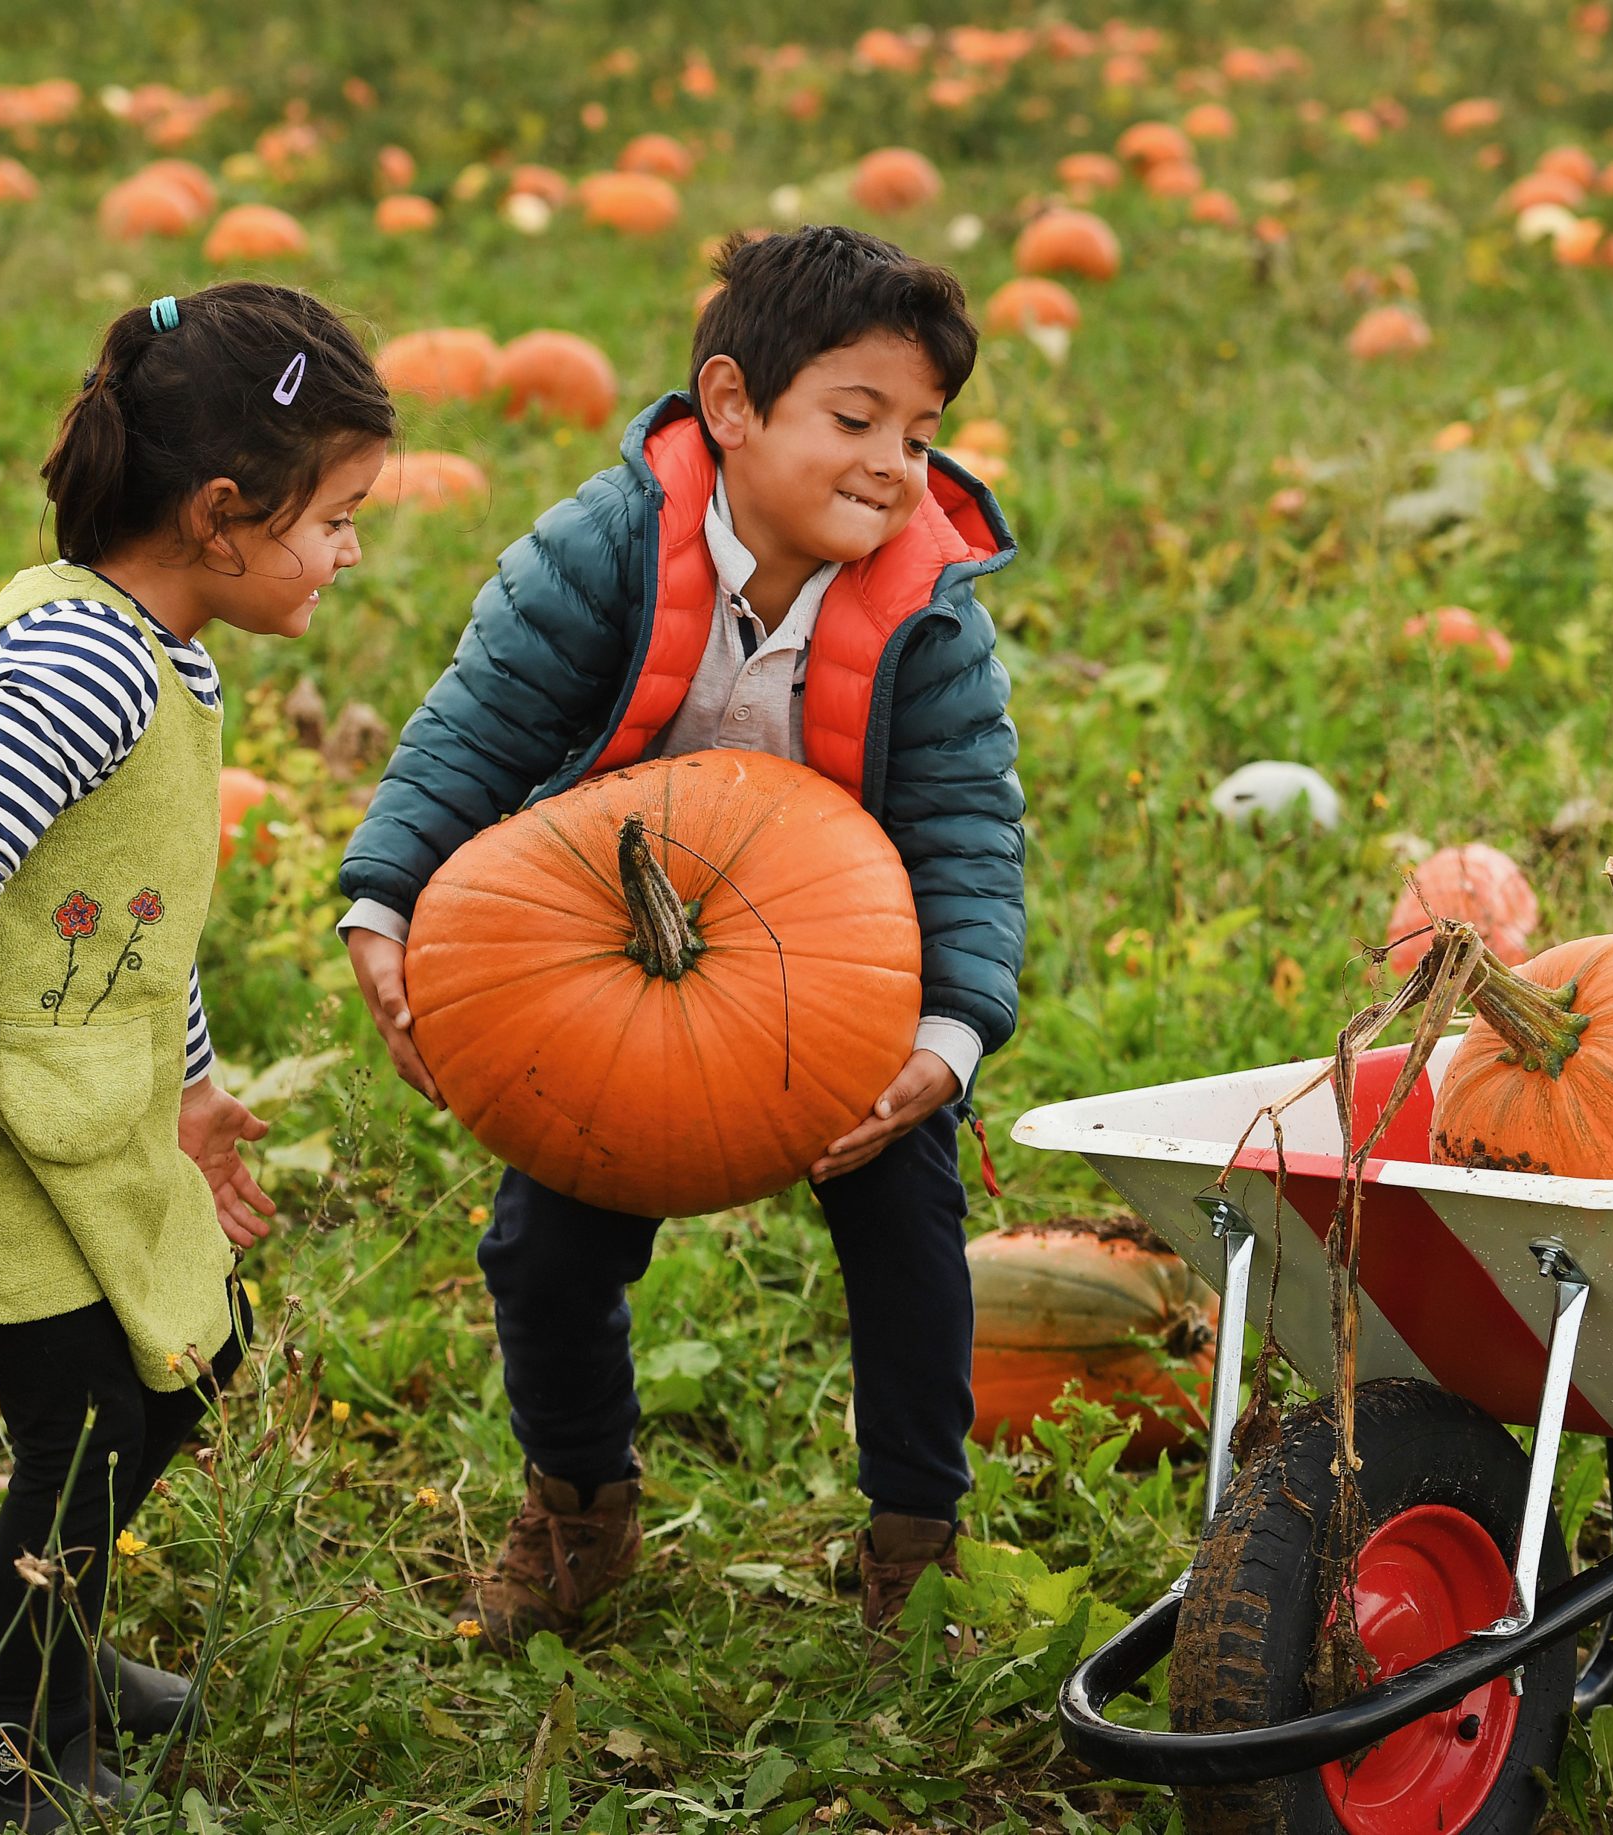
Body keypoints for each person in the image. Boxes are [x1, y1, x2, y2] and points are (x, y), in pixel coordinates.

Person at [338, 225, 1023, 1652]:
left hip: (845, 1000)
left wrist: (947, 1040)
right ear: (729, 405)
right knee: (542, 1252)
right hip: (602, 975)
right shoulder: (606, 551)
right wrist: (386, 900)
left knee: (914, 1246)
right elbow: (477, 730)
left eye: (921, 431)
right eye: (855, 419)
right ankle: (578, 1502)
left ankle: (917, 1539)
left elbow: (965, 831)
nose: (894, 464)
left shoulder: (928, 615)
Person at [0, 281, 394, 1832]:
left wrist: (189, 1092)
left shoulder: (153, 653)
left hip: (69, 1104)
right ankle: (17, 1729)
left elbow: (124, 925)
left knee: (192, 1355)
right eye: (334, 519)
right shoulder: (88, 669)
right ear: (221, 515)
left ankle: (28, 1634)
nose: (347, 554)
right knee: (88, 1421)